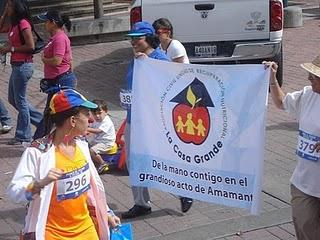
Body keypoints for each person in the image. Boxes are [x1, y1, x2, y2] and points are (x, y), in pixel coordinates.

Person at [7, 89, 120, 240]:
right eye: (86, 114)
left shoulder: (82, 146)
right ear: (73, 121)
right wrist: (40, 184)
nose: (91, 120)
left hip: (87, 231)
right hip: (52, 234)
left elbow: (90, 189)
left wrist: (105, 212)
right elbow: (15, 193)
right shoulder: (38, 152)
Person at [264, 56, 320, 240]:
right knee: (305, 229)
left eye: (314, 76)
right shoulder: (307, 94)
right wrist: (272, 78)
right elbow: (281, 102)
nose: (309, 79)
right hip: (304, 184)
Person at [121, 21, 170, 219]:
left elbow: (166, 85)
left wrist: (147, 64)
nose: (134, 42)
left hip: (153, 121)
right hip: (133, 118)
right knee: (134, 161)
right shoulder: (135, 59)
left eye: (138, 38)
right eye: (131, 38)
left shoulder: (160, 59)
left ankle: (183, 189)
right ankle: (141, 203)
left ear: (149, 38)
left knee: (160, 159)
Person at [153, 17, 193, 213]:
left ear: (167, 31)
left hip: (183, 100)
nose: (156, 35)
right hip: (170, 101)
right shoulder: (158, 50)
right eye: (154, 32)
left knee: (179, 146)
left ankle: (187, 191)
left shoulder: (175, 47)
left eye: (159, 32)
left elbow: (177, 75)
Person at [0, 0, 43, 145]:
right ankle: (41, 122)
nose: (8, 7)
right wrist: (5, 11)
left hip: (23, 66)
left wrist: (10, 49)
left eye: (10, 5)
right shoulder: (14, 24)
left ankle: (23, 136)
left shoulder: (24, 24)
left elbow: (30, 46)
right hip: (16, 66)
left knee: (21, 102)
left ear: (17, 8)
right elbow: (1, 27)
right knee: (13, 99)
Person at [33, 10, 77, 139]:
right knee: (53, 113)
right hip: (58, 80)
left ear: (53, 23)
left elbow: (57, 60)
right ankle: (43, 140)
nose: (44, 24)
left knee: (53, 113)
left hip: (61, 81)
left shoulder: (59, 38)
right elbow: (70, 59)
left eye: (46, 21)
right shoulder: (54, 38)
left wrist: (44, 59)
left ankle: (38, 141)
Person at [87, 99, 116, 174]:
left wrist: (87, 129)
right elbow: (91, 127)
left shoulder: (107, 121)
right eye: (94, 114)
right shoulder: (95, 120)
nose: (97, 116)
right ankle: (90, 161)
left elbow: (98, 131)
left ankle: (102, 163)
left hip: (106, 142)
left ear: (106, 112)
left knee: (92, 150)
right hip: (98, 140)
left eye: (100, 113)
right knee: (84, 143)